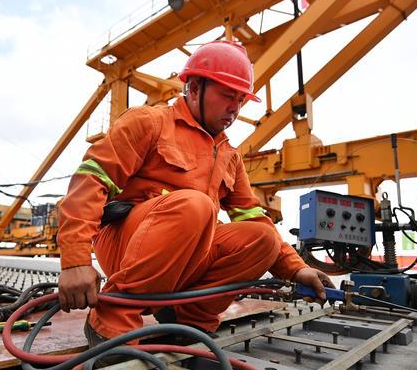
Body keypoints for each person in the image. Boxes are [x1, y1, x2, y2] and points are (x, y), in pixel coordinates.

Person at [57, 40, 331, 345]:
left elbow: (254, 217)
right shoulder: (149, 122)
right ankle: (111, 320)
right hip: (126, 245)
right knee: (196, 206)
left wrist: (298, 270)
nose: (235, 108)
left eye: (241, 100)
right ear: (196, 89)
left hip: (187, 255)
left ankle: (188, 319)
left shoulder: (229, 155)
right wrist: (76, 260)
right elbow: (90, 181)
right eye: (227, 96)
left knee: (262, 238)